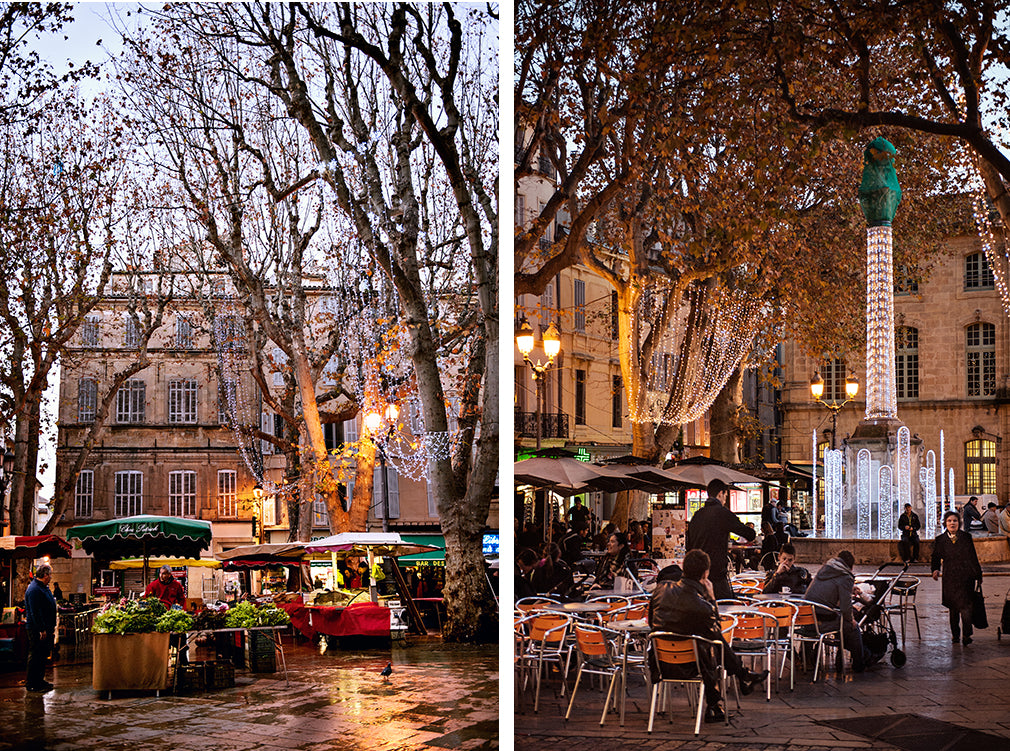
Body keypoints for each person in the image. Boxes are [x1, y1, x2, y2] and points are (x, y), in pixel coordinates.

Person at [648, 549, 768, 723]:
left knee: (709, 642)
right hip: (691, 666)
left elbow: (652, 622)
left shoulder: (661, 590)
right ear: (706, 573)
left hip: (660, 664)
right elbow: (716, 628)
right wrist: (711, 597)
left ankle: (740, 679)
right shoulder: (701, 606)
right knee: (714, 642)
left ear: (683, 567)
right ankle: (737, 680)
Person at [685, 479, 756, 600]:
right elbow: (750, 534)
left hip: (696, 577)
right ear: (720, 494)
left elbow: (688, 545)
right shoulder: (723, 514)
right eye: (725, 496)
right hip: (717, 575)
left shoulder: (696, 516)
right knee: (724, 609)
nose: (725, 500)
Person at [804, 550, 871, 672]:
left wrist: (848, 589)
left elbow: (828, 591)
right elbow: (846, 607)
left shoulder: (824, 570)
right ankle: (859, 664)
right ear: (850, 566)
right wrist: (851, 620)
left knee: (840, 621)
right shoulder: (845, 576)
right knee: (852, 628)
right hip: (822, 622)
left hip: (807, 620)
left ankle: (806, 659)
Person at [931, 510, 983, 645]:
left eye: (954, 520)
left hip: (966, 577)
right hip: (950, 578)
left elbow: (973, 556)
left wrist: (978, 574)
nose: (952, 523)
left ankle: (967, 635)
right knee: (953, 609)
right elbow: (935, 556)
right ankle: (955, 635)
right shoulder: (940, 540)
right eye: (949, 521)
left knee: (966, 607)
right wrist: (935, 569)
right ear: (945, 523)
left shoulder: (966, 537)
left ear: (959, 523)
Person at [24, 564, 57, 692]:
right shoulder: (34, 590)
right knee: (36, 655)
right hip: (36, 629)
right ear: (44, 575)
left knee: (42, 655)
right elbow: (35, 612)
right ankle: (32, 683)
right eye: (49, 575)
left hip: (46, 628)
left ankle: (39, 680)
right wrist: (41, 629)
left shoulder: (43, 587)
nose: (50, 578)